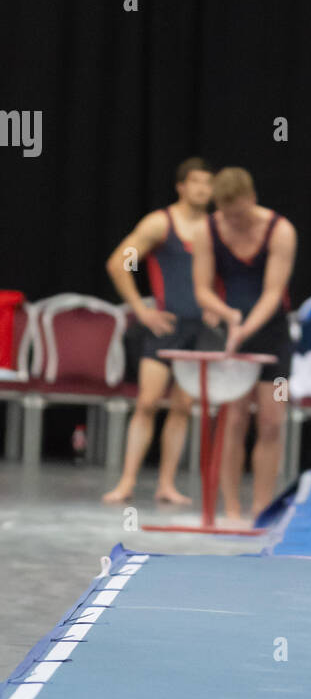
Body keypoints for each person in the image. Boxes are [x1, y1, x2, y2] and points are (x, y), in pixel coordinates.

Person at [102, 157, 214, 505]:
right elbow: (120, 261)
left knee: (182, 407)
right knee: (148, 402)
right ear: (181, 187)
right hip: (166, 325)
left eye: (208, 183)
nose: (202, 189)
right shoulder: (160, 223)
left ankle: (166, 484)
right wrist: (141, 309)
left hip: (201, 329)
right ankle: (127, 481)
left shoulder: (215, 227)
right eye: (195, 182)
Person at [191, 168, 296, 523]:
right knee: (234, 419)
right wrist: (227, 316)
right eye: (226, 215)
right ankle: (232, 508)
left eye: (238, 214)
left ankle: (262, 507)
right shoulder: (206, 230)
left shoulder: (280, 230)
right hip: (231, 333)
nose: (232, 222)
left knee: (272, 420)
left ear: (251, 199)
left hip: (274, 336)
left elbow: (272, 293)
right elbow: (202, 290)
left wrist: (245, 327)